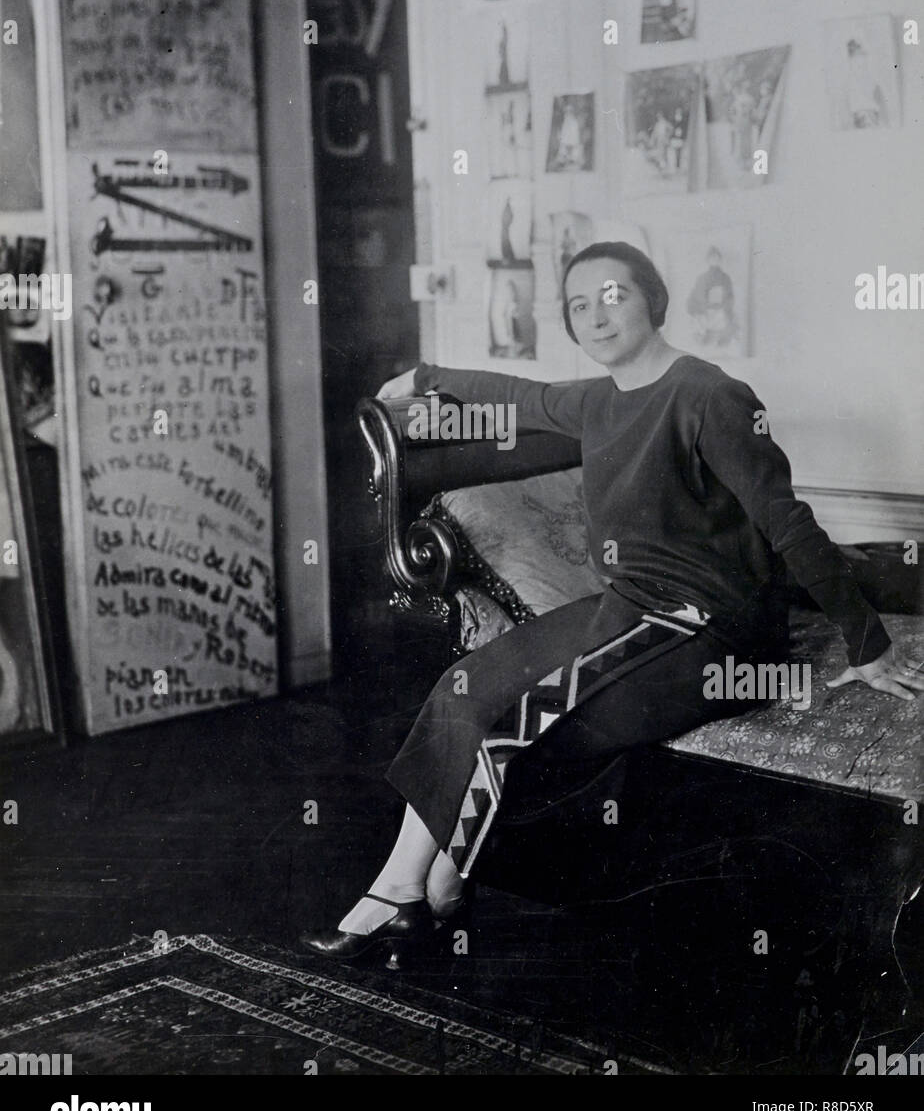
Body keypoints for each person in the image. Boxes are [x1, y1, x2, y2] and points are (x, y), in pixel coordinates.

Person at [300, 241, 920, 966]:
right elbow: (516, 394)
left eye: (613, 295)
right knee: (462, 689)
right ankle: (418, 890)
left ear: (653, 299)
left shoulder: (710, 395)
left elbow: (788, 523)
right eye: (578, 305)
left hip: (712, 630)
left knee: (518, 725)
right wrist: (428, 376)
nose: (596, 315)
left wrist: (868, 644)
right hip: (629, 606)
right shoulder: (596, 402)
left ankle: (414, 892)